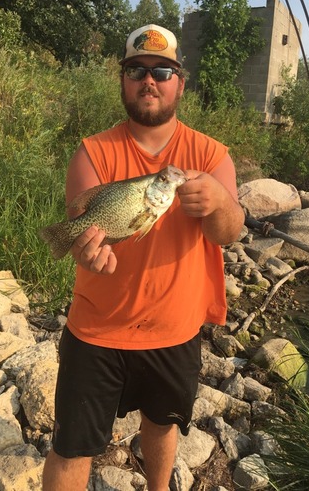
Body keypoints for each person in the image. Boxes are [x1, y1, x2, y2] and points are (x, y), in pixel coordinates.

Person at [42, 24, 245, 490]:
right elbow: (84, 232)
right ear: (123, 80)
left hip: (176, 330)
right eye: (136, 70)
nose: (149, 80)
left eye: (162, 71)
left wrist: (219, 203)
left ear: (180, 83)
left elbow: (229, 233)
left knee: (163, 424)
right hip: (96, 331)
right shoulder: (92, 152)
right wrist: (85, 252)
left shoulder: (211, 154)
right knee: (72, 446)